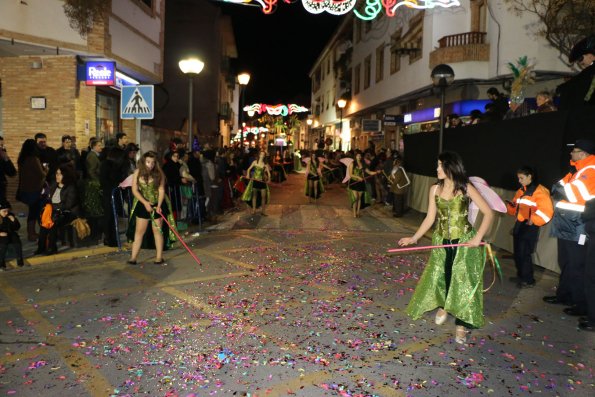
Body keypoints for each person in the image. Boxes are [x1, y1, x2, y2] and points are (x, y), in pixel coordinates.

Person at [398, 151, 494, 344]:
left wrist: (477, 238)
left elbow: (488, 213)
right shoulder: (434, 189)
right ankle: (445, 305)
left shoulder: (465, 188)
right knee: (444, 275)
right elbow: (430, 217)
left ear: (450, 167)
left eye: (440, 165)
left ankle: (462, 323)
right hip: (441, 241)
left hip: (464, 241)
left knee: (463, 281)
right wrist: (414, 238)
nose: (437, 169)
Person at [544, 139, 595, 318]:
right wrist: (561, 187)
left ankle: (580, 303)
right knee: (565, 262)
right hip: (567, 225)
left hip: (578, 226)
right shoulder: (577, 170)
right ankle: (565, 295)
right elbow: (557, 187)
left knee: (577, 266)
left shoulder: (590, 170)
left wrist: (561, 187)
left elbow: (572, 193)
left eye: (574, 151)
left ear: (583, 153)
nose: (570, 154)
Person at [505, 166, 554, 288]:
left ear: (530, 177)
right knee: (518, 253)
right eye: (518, 178)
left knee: (524, 253)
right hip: (520, 225)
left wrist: (533, 220)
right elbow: (514, 209)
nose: (519, 181)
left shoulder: (540, 191)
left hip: (529, 226)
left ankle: (528, 280)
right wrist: (509, 206)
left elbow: (547, 212)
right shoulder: (521, 191)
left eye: (521, 178)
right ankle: (521, 276)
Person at [126, 151, 176, 265]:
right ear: (144, 162)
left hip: (157, 203)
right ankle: (133, 258)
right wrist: (145, 203)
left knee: (157, 231)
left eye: (153, 162)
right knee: (139, 232)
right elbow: (134, 190)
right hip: (143, 204)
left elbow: (161, 190)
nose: (151, 165)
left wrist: (158, 206)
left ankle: (159, 257)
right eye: (148, 162)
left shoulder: (159, 173)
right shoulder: (137, 172)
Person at [36, 164, 80, 255]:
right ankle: (41, 247)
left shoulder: (70, 187)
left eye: (60, 174)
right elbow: (48, 199)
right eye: (56, 173)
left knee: (52, 223)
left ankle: (52, 248)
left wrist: (53, 208)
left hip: (68, 212)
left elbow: (68, 205)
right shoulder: (54, 185)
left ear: (65, 175)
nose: (57, 176)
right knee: (44, 223)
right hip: (55, 211)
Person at [16, 139, 47, 241]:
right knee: (35, 212)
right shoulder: (34, 159)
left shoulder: (22, 158)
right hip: (34, 189)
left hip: (25, 189)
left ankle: (32, 233)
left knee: (32, 211)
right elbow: (41, 174)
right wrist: (46, 169)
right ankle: (32, 234)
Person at [557, 35, 595, 110]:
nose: (580, 62)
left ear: (591, 56)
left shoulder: (590, 72)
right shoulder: (589, 72)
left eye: (581, 58)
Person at [347, 151, 378, 218]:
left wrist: (376, 172)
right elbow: (350, 174)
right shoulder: (352, 164)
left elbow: (369, 172)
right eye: (358, 155)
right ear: (355, 156)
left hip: (361, 183)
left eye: (360, 156)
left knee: (359, 198)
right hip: (354, 182)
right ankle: (354, 213)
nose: (359, 157)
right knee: (355, 198)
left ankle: (358, 212)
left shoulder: (363, 164)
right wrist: (358, 177)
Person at [242, 150, 271, 216]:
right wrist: (248, 175)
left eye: (263, 154)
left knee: (263, 197)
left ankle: (263, 211)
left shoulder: (265, 164)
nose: (262, 155)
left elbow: (269, 173)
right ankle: (254, 210)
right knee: (254, 196)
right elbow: (249, 169)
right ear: (259, 155)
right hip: (255, 181)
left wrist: (269, 179)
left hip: (262, 182)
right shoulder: (255, 162)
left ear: (264, 156)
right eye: (261, 154)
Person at [0, 200, 24, 270]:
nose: (6, 213)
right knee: (4, 240)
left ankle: (20, 260)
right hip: (1, 236)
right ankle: (1, 262)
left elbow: (17, 227)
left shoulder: (10, 216)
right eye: (4, 211)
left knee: (15, 238)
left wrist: (14, 221)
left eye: (7, 211)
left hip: (9, 234)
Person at [0, 136, 17, 203]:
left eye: (2, 145)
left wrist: (6, 159)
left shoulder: (2, 157)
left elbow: (12, 173)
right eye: (0, 145)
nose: (2, 147)